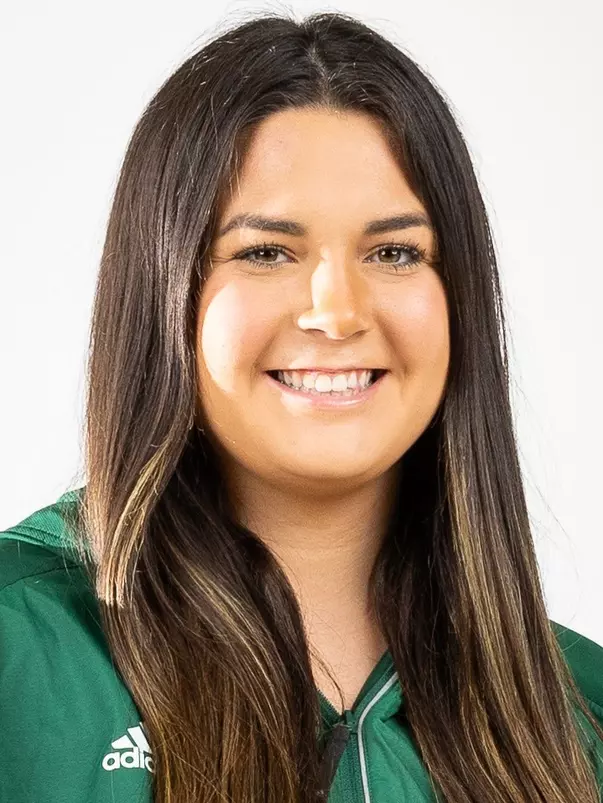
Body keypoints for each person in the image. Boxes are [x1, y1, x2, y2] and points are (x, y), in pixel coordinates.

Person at [1, 9, 602, 803]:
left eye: (394, 252)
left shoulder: (580, 710)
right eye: (265, 251)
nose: (337, 310)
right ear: (162, 294)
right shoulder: (19, 646)